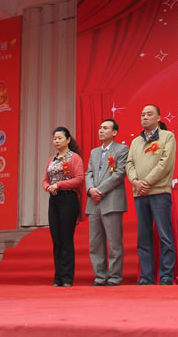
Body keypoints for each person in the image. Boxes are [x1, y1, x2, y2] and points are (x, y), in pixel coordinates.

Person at [126, 104, 176, 285]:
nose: (145, 117)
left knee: (164, 235)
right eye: (143, 115)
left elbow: (165, 163)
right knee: (143, 236)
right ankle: (146, 276)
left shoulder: (168, 136)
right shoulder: (135, 142)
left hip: (159, 191)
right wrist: (135, 181)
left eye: (149, 114)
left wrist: (146, 181)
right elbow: (129, 164)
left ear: (158, 118)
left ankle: (166, 275)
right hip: (140, 193)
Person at [85, 118, 129, 286]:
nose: (101, 131)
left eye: (105, 128)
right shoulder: (94, 152)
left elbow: (119, 174)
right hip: (94, 202)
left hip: (111, 201)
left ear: (114, 132)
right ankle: (100, 277)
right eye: (100, 128)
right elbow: (89, 173)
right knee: (95, 243)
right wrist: (91, 189)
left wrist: (100, 190)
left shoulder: (122, 149)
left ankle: (114, 277)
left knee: (114, 242)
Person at [42, 126, 84, 287]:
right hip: (54, 200)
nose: (57, 141)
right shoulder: (51, 160)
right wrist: (47, 187)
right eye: (55, 138)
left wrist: (59, 185)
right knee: (56, 239)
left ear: (68, 140)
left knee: (66, 238)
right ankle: (58, 276)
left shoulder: (74, 158)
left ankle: (67, 277)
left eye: (60, 138)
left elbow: (79, 179)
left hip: (68, 199)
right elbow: (45, 180)